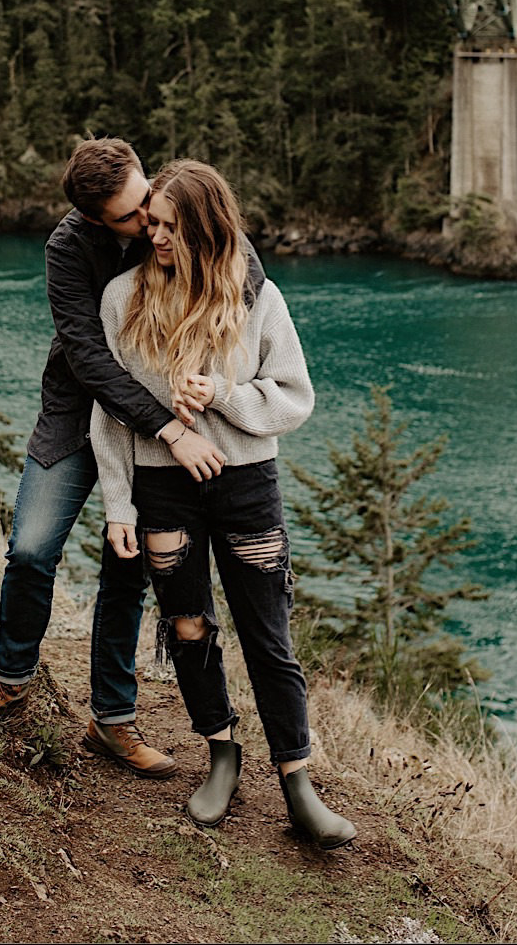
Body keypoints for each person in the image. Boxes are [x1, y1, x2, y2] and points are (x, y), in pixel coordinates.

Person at [0, 137, 263, 779]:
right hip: (79, 416)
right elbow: (87, 359)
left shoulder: (170, 216)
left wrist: (215, 388)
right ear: (94, 220)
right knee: (31, 548)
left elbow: (246, 276)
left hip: (158, 426)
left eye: (147, 202)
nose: (148, 223)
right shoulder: (67, 248)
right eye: (130, 217)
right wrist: (170, 428)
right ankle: (10, 681)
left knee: (129, 568)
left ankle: (112, 722)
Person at [91, 158, 354, 847]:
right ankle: (221, 753)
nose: (156, 236)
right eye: (154, 223)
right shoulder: (122, 298)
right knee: (187, 626)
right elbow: (112, 415)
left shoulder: (255, 297)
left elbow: (295, 394)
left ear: (207, 230)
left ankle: (297, 779)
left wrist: (225, 396)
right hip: (161, 485)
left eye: (173, 227)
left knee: (269, 633)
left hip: (246, 483)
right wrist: (119, 502)